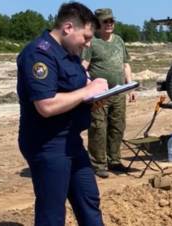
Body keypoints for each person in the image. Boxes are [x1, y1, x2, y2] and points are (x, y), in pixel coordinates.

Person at [16, 2, 107, 225]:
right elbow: (46, 105)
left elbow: (77, 87)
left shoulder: (70, 53)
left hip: (70, 139)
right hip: (47, 143)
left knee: (88, 199)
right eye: (85, 37)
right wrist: (87, 91)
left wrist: (92, 96)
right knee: (52, 212)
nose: (87, 44)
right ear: (68, 28)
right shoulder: (38, 54)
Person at [82, 8, 135, 178]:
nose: (109, 24)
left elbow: (125, 64)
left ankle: (115, 160)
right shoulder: (92, 43)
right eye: (105, 21)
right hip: (100, 95)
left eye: (111, 21)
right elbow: (83, 67)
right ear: (97, 24)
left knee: (117, 126)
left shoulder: (119, 41)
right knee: (98, 127)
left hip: (119, 91)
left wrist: (130, 86)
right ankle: (98, 164)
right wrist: (87, 87)